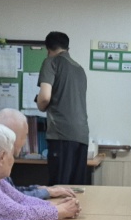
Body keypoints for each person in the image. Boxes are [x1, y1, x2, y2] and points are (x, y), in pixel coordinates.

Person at [35, 30, 90, 186]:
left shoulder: (51, 62)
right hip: (82, 135)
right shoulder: (79, 69)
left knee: (59, 186)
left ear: (48, 49)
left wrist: (40, 105)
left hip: (61, 134)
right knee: (76, 187)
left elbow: (45, 97)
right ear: (67, 48)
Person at [0, 107, 80, 201]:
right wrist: (49, 194)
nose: (24, 142)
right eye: (24, 136)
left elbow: (13, 192)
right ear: (11, 136)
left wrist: (39, 189)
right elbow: (12, 199)